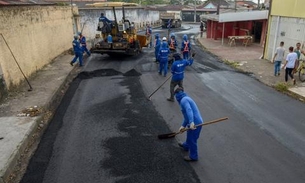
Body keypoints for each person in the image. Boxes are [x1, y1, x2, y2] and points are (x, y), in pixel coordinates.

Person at [174, 87, 203, 161]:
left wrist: (191, 122)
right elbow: (186, 116)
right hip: (194, 121)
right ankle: (186, 146)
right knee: (189, 135)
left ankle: (193, 156)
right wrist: (182, 126)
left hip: (196, 123)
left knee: (192, 139)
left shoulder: (184, 100)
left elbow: (189, 110)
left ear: (177, 95)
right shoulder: (185, 98)